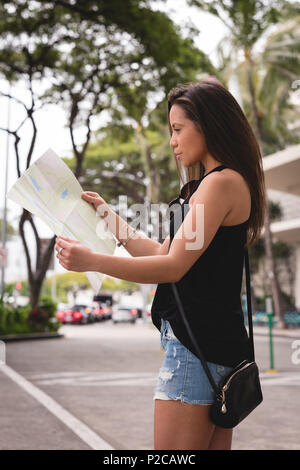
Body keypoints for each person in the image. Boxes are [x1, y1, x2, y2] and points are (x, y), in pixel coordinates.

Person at [55, 80, 266, 450]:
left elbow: (171, 268)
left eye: (177, 129)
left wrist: (92, 261)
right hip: (215, 348)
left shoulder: (219, 185)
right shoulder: (219, 184)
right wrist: (108, 216)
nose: (172, 141)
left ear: (207, 125)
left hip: (195, 349)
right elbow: (161, 253)